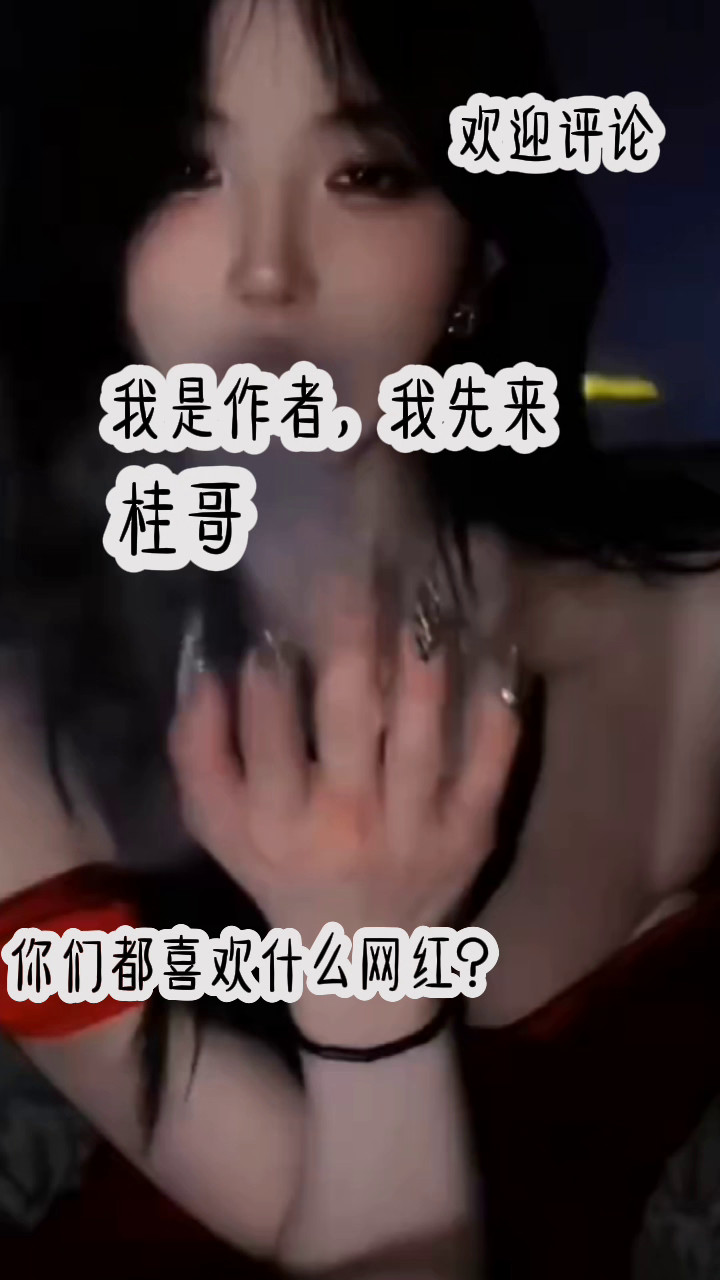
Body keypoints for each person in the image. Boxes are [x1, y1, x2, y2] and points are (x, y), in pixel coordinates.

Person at [1, 1, 720, 1277]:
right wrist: (366, 985)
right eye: (188, 167)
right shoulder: (23, 742)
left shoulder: (695, 622)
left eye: (369, 173)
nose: (267, 270)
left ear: (481, 258)